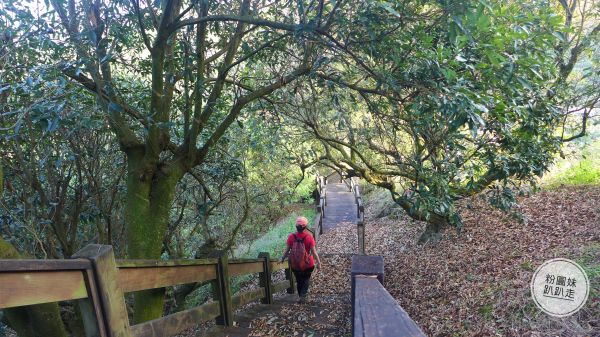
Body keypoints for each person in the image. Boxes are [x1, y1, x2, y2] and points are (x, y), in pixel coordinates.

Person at [280, 216, 321, 302]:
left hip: (295, 264)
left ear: (296, 226)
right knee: (306, 279)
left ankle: (300, 296)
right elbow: (314, 252)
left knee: (299, 281)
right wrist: (319, 262)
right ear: (305, 227)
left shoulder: (291, 237)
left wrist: (282, 258)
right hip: (307, 264)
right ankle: (303, 295)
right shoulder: (309, 237)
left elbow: (287, 250)